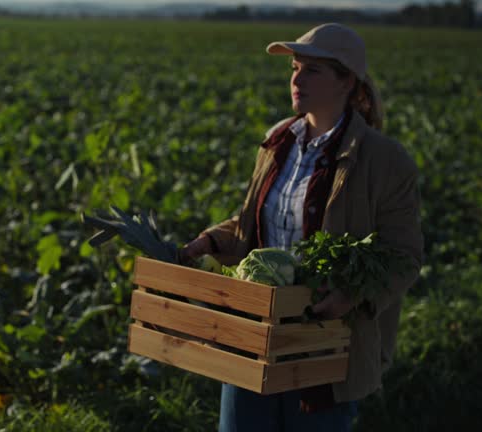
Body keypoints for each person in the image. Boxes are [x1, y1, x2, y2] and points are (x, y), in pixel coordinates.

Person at [180, 23, 423, 432]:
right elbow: (255, 221)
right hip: (254, 333)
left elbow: (405, 256)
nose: (296, 79)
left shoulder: (384, 160)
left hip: (326, 345)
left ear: (347, 81)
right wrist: (211, 240)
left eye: (312, 70)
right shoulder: (278, 140)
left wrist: (351, 295)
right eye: (294, 67)